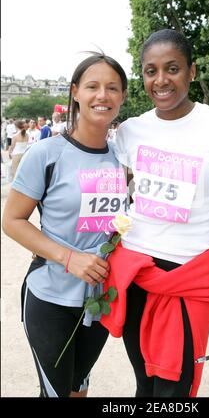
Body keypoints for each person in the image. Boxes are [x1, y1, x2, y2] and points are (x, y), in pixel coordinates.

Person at [101, 29, 209, 398]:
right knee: (145, 385)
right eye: (150, 71)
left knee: (174, 390)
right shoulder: (129, 132)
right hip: (135, 275)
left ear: (192, 71)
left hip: (188, 279)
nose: (161, 80)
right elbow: (113, 204)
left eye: (172, 68)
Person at [2, 51, 128, 397]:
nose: (102, 95)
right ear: (75, 92)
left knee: (78, 389)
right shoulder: (45, 154)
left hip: (99, 301)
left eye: (113, 88)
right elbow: (12, 221)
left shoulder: (124, 157)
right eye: (93, 86)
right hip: (50, 295)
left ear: (123, 97)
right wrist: (69, 258)